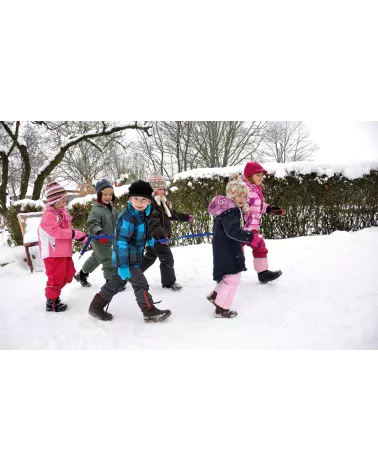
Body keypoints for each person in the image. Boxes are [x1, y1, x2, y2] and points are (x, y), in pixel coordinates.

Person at [88, 180, 172, 322]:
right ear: (130, 199)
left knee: (116, 283)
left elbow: (143, 231)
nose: (139, 203)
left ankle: (96, 306)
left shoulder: (143, 214)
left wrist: (151, 239)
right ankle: (149, 311)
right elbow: (121, 242)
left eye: (143, 199)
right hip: (126, 259)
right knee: (141, 284)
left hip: (133, 257)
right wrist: (123, 265)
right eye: (136, 199)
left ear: (149, 201)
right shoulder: (128, 217)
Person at [207, 179, 255, 318]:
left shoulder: (225, 209)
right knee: (233, 278)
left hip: (223, 247)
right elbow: (232, 231)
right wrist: (250, 237)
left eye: (244, 196)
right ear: (231, 195)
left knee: (229, 276)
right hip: (228, 248)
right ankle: (221, 308)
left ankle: (215, 295)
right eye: (239, 195)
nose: (242, 199)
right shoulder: (232, 211)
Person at [38, 182, 87, 312]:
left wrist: (83, 237)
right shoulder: (48, 216)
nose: (64, 204)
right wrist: (74, 234)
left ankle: (52, 291)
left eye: (65, 201)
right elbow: (57, 232)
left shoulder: (61, 212)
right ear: (54, 201)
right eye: (62, 201)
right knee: (56, 278)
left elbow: (67, 231)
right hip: (53, 254)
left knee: (68, 274)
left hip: (64, 252)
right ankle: (52, 302)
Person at [141, 171, 194, 291]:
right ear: (153, 190)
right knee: (167, 258)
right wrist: (160, 236)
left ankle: (134, 273)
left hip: (158, 238)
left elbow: (172, 214)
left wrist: (186, 217)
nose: (162, 191)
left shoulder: (163, 203)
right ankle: (169, 283)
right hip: (156, 238)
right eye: (160, 189)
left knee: (150, 257)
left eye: (163, 189)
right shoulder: (151, 205)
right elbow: (153, 223)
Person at [242, 161, 284, 283]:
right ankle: (225, 274)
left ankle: (263, 273)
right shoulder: (244, 189)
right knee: (235, 252)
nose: (260, 178)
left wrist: (271, 209)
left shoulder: (256, 189)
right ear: (249, 176)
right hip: (240, 228)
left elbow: (258, 206)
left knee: (259, 245)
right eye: (257, 175)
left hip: (252, 227)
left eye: (262, 175)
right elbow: (236, 204)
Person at [74, 179, 118, 287]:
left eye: (110, 194)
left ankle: (82, 274)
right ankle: (110, 283)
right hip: (99, 239)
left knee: (96, 258)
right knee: (109, 258)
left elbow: (119, 219)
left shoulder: (112, 209)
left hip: (108, 239)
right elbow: (93, 224)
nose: (108, 197)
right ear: (99, 194)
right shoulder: (96, 210)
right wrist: (99, 233)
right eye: (105, 194)